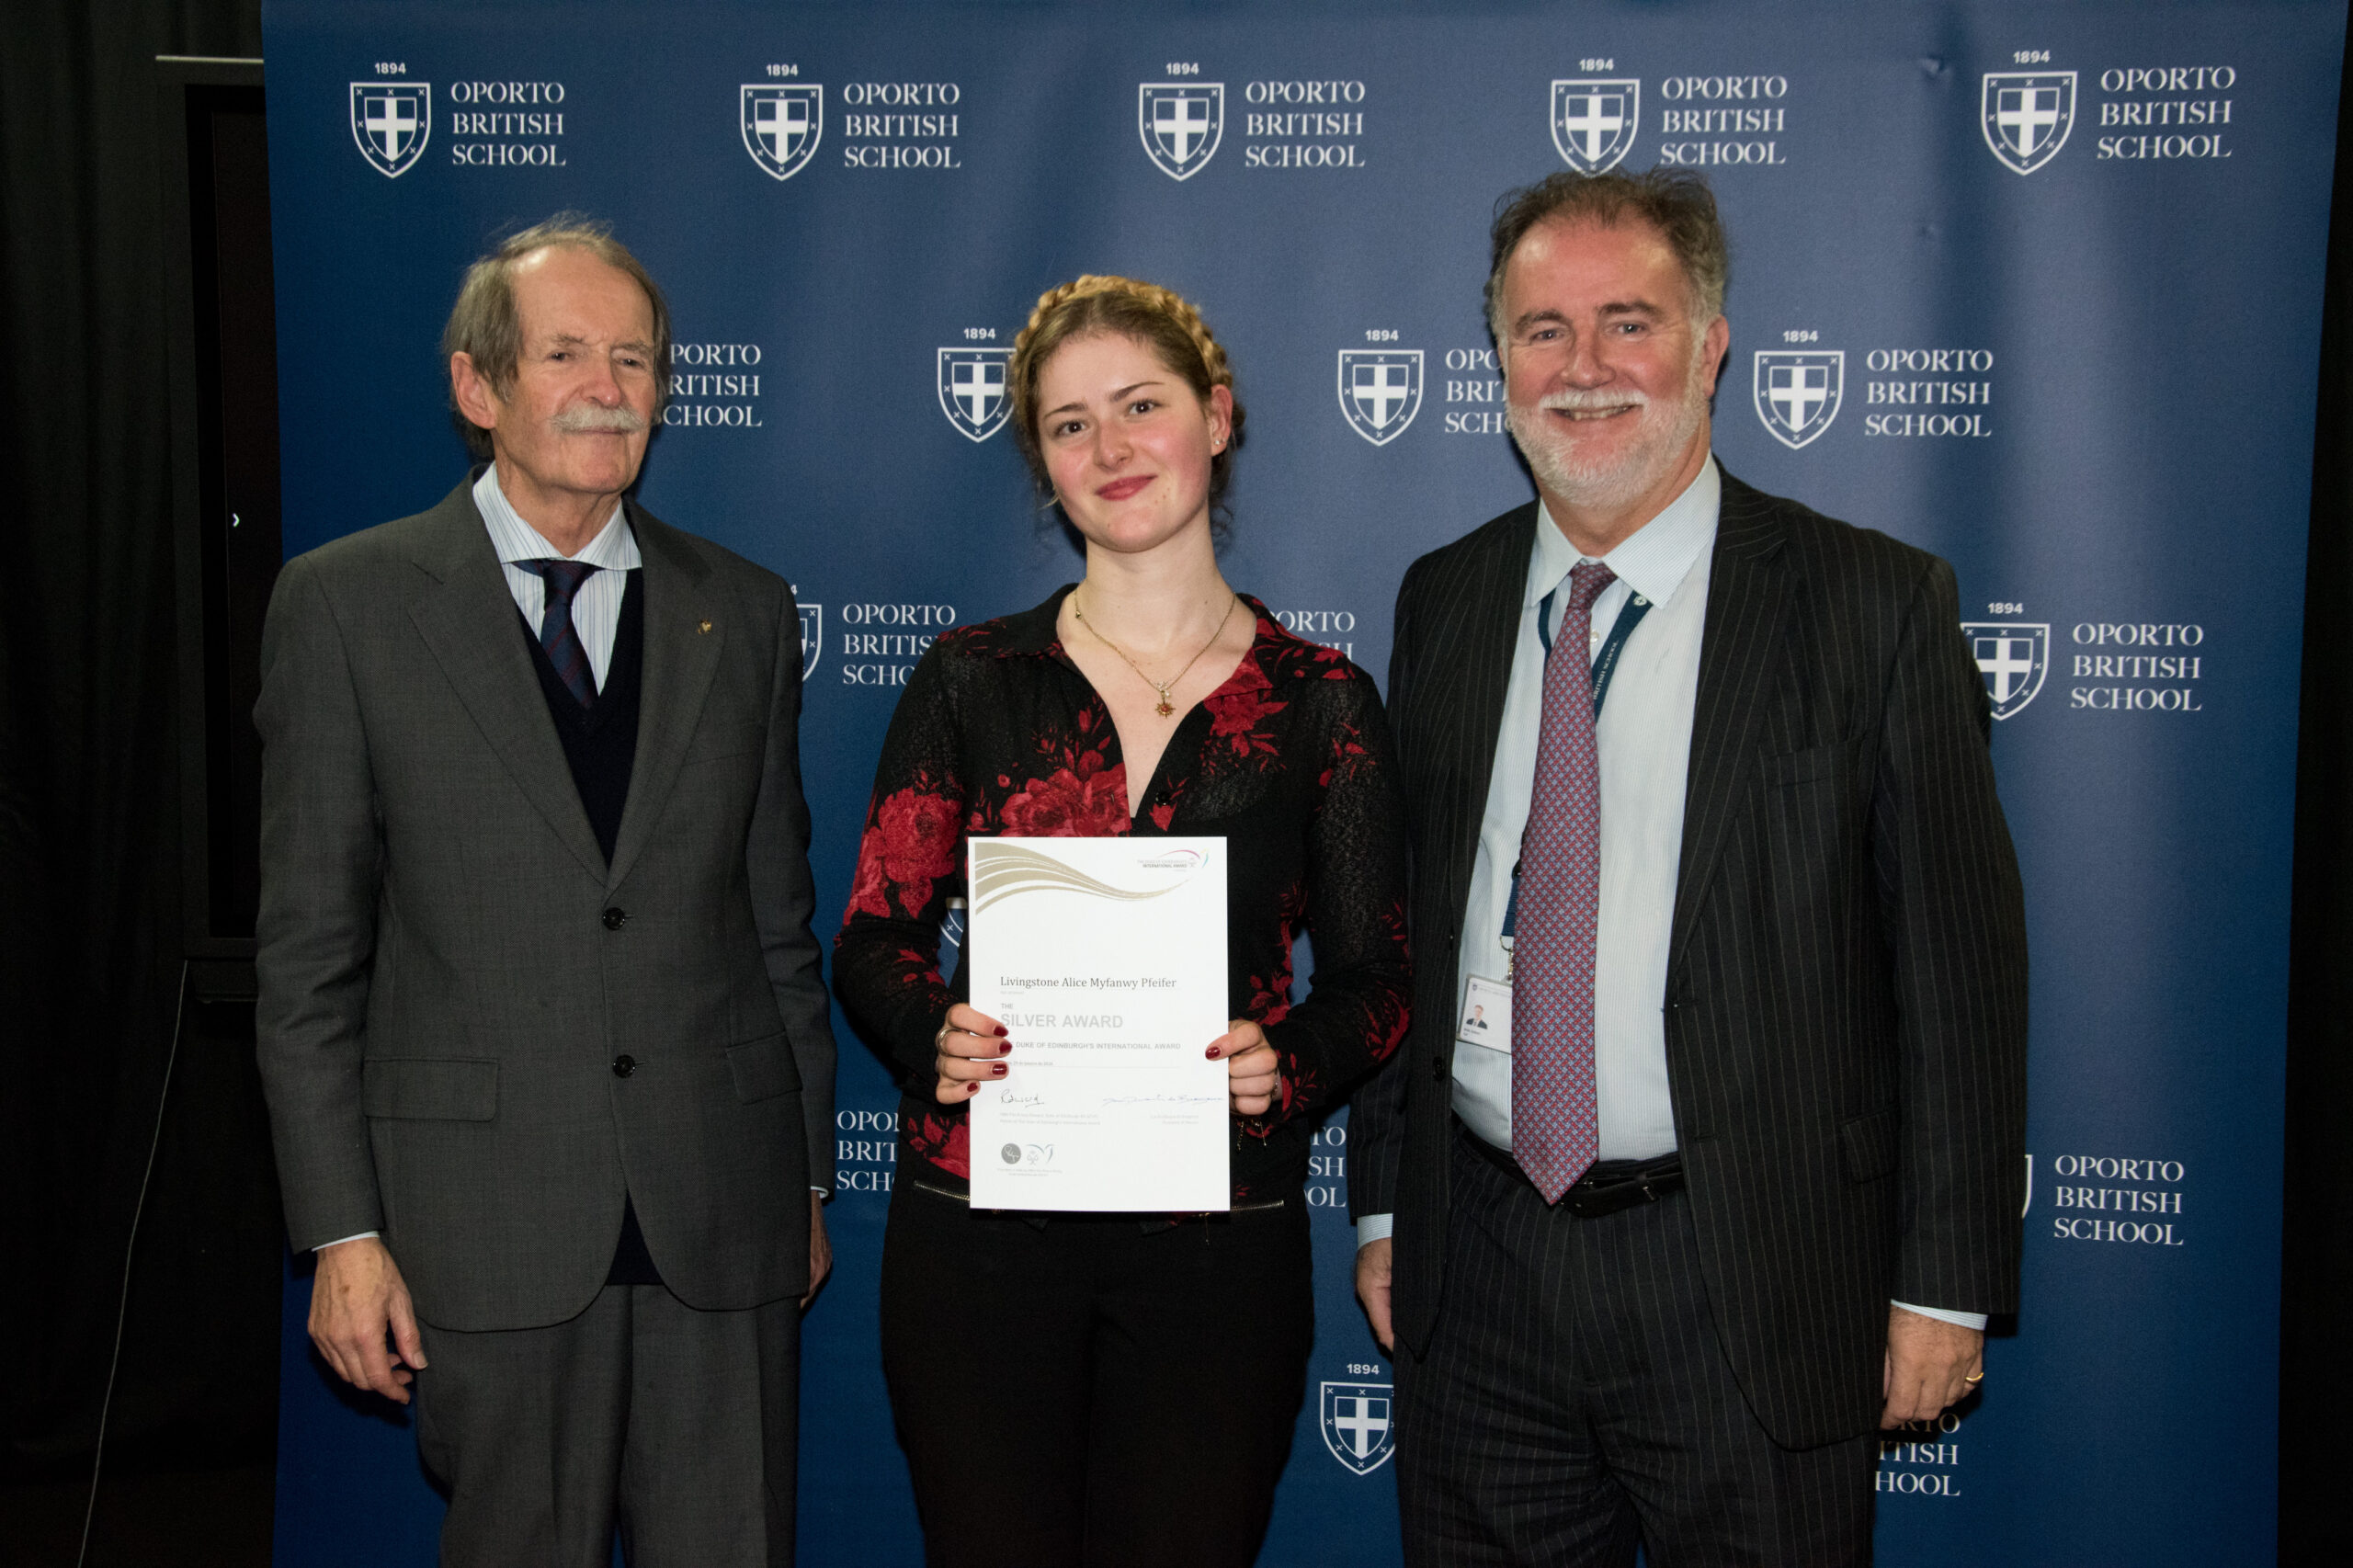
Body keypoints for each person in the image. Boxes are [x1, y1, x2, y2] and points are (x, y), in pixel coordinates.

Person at [1349, 169, 2029, 1565]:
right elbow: (1404, 925)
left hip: (1754, 1272)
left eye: (1629, 322)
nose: (1583, 367)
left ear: (1711, 345)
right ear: (1498, 360)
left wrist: (1946, 1285)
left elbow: (1957, 972)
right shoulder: (1446, 595)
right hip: (1480, 1267)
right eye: (1542, 329)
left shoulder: (1874, 605)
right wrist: (1384, 1205)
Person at [255, 215, 836, 1567]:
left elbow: (778, 930)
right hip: (483, 1228)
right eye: (566, 352)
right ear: (478, 387)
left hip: (722, 1221)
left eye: (634, 358)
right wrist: (342, 1231)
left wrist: (803, 1180)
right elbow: (309, 965)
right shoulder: (345, 607)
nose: (607, 387)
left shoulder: (745, 610)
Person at [833, 275, 1412, 1568]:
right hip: (979, 1236)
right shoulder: (972, 678)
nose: (1110, 447)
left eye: (1141, 406)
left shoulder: (1322, 700)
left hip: (1217, 1249)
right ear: (1043, 462)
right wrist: (932, 1030)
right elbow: (874, 936)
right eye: (1069, 423)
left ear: (1218, 415)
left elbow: (1378, 976)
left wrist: (1290, 1061)